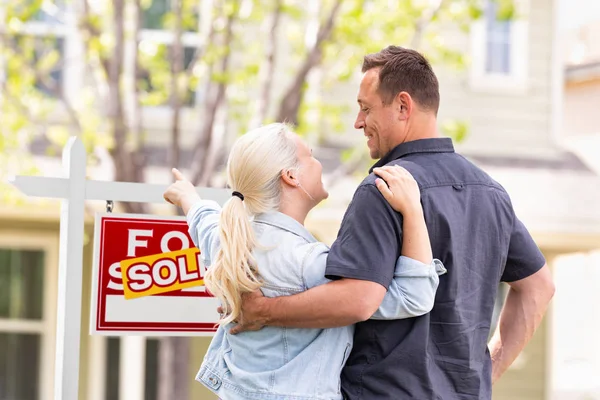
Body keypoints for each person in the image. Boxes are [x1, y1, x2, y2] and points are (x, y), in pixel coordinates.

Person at [230, 46, 556, 399]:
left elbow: (357, 300)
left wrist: (265, 311)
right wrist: (484, 376)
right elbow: (539, 287)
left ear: (403, 106)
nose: (358, 122)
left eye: (366, 108)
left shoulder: (383, 189)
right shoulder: (490, 193)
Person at [163, 123, 446, 400]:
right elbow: (412, 295)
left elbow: (204, 220)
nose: (318, 162)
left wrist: (187, 196)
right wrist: (412, 209)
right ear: (291, 176)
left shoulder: (228, 243)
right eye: (310, 156)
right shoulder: (308, 264)